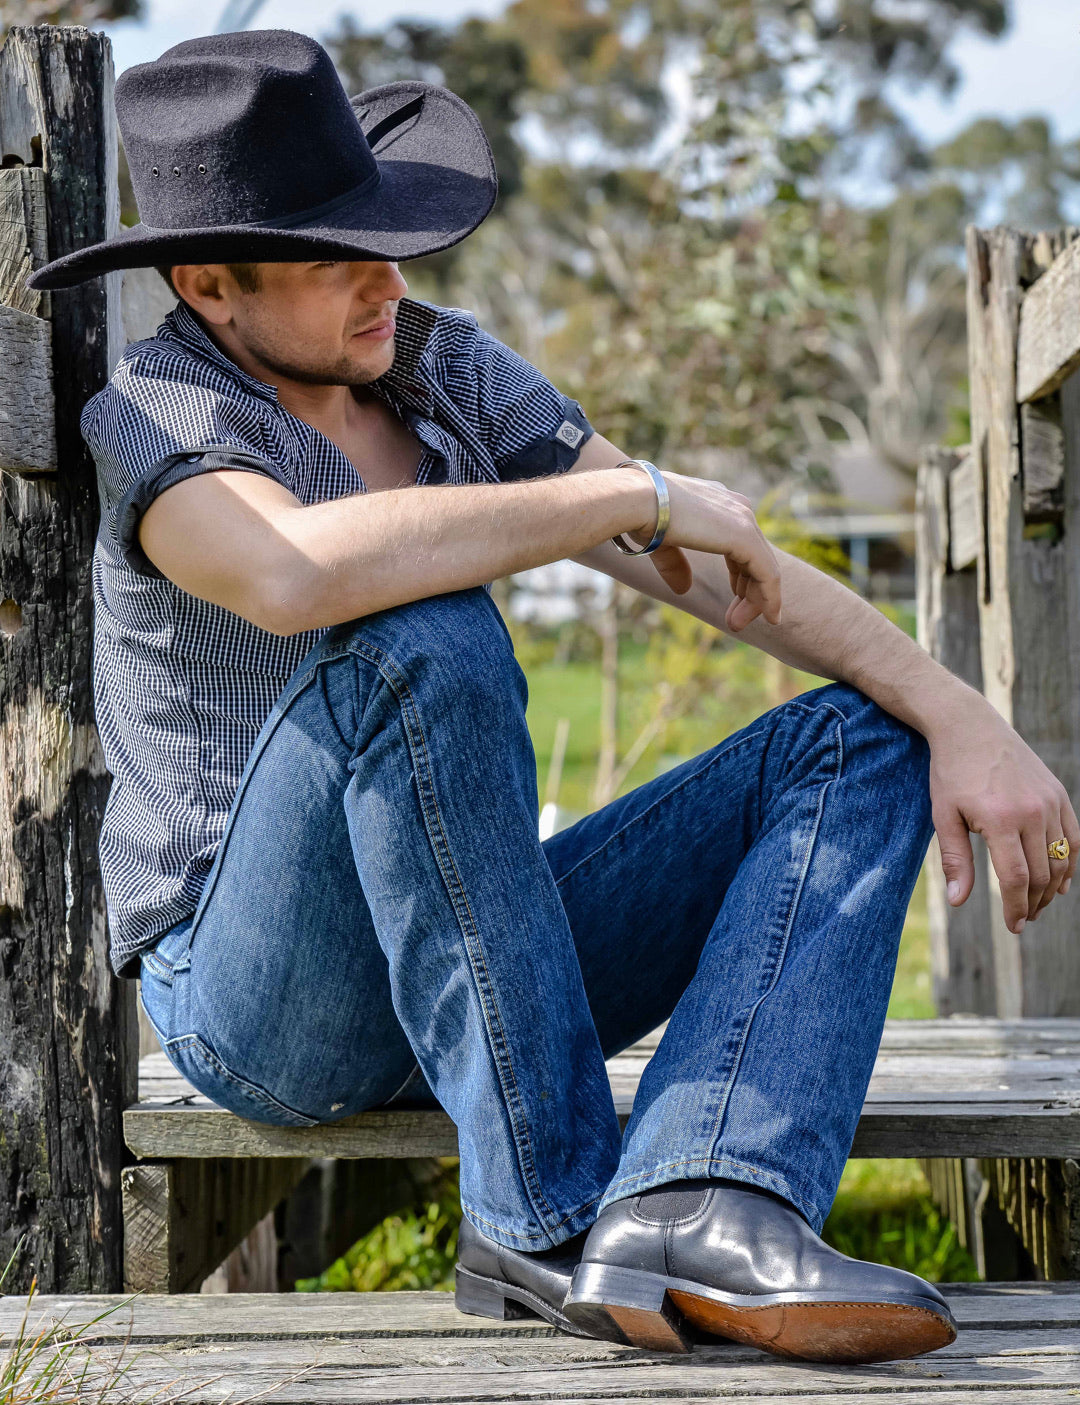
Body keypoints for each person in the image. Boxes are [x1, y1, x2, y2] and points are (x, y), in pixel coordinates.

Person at [31, 28, 1077, 1365]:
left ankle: (709, 1191)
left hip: (474, 948)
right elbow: (294, 572)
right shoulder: (157, 413)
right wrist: (627, 495)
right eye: (334, 257)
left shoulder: (435, 364)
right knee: (421, 623)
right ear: (208, 284)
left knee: (861, 737)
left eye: (387, 241)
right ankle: (551, 1215)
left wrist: (960, 711)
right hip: (265, 999)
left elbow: (722, 568)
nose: (387, 282)